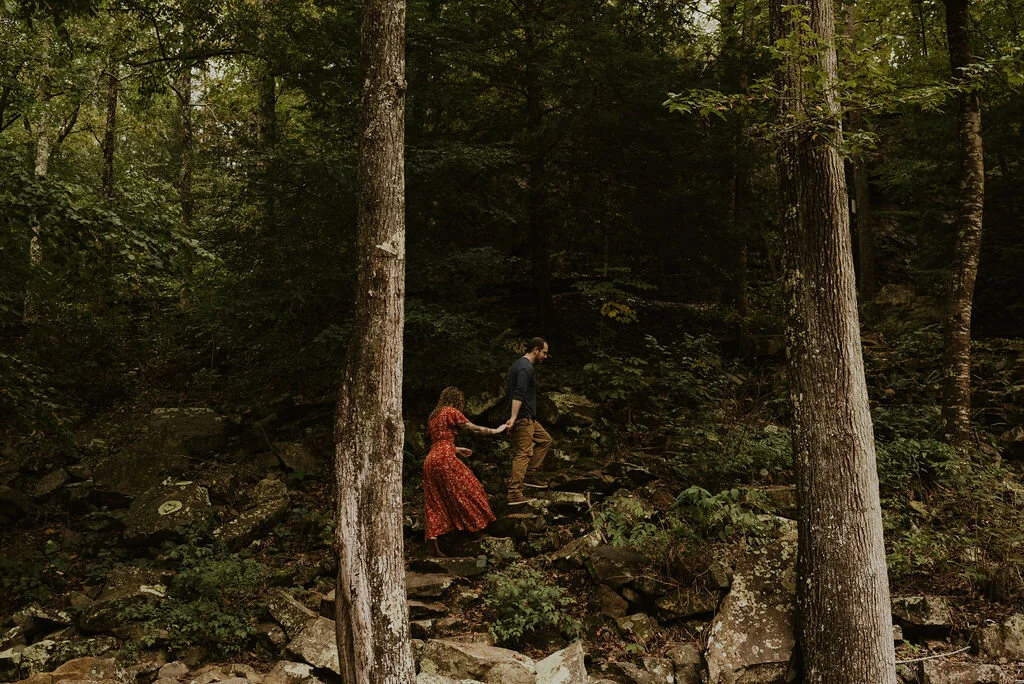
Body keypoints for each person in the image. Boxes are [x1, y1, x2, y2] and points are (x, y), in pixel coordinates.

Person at [423, 386, 506, 557]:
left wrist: (456, 449)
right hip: (445, 459)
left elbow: (439, 441)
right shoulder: (451, 411)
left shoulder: (434, 416)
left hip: (430, 460)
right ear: (456, 400)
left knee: (434, 501)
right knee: (470, 488)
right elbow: (473, 428)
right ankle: (477, 527)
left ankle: (432, 542)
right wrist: (496, 430)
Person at [502, 337, 553, 505]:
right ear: (536, 350)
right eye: (544, 352)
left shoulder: (518, 365)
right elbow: (519, 393)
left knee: (545, 440)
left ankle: (530, 474)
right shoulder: (525, 368)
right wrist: (514, 418)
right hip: (522, 417)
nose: (545, 356)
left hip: (527, 417)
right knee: (523, 453)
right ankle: (515, 492)